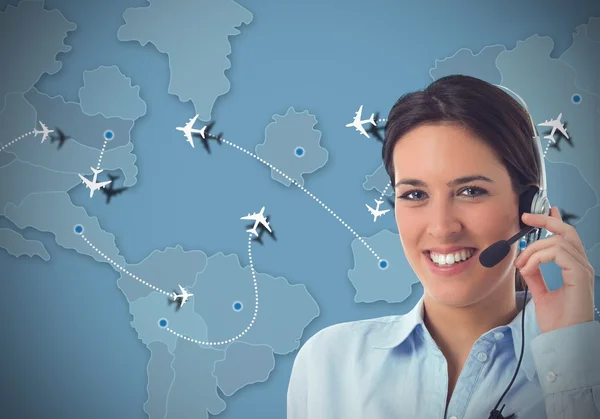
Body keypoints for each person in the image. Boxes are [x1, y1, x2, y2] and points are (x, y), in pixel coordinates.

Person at [286, 75, 599, 419]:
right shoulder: (329, 364)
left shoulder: (586, 364)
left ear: (530, 206)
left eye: (471, 191)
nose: (442, 228)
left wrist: (573, 360)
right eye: (415, 195)